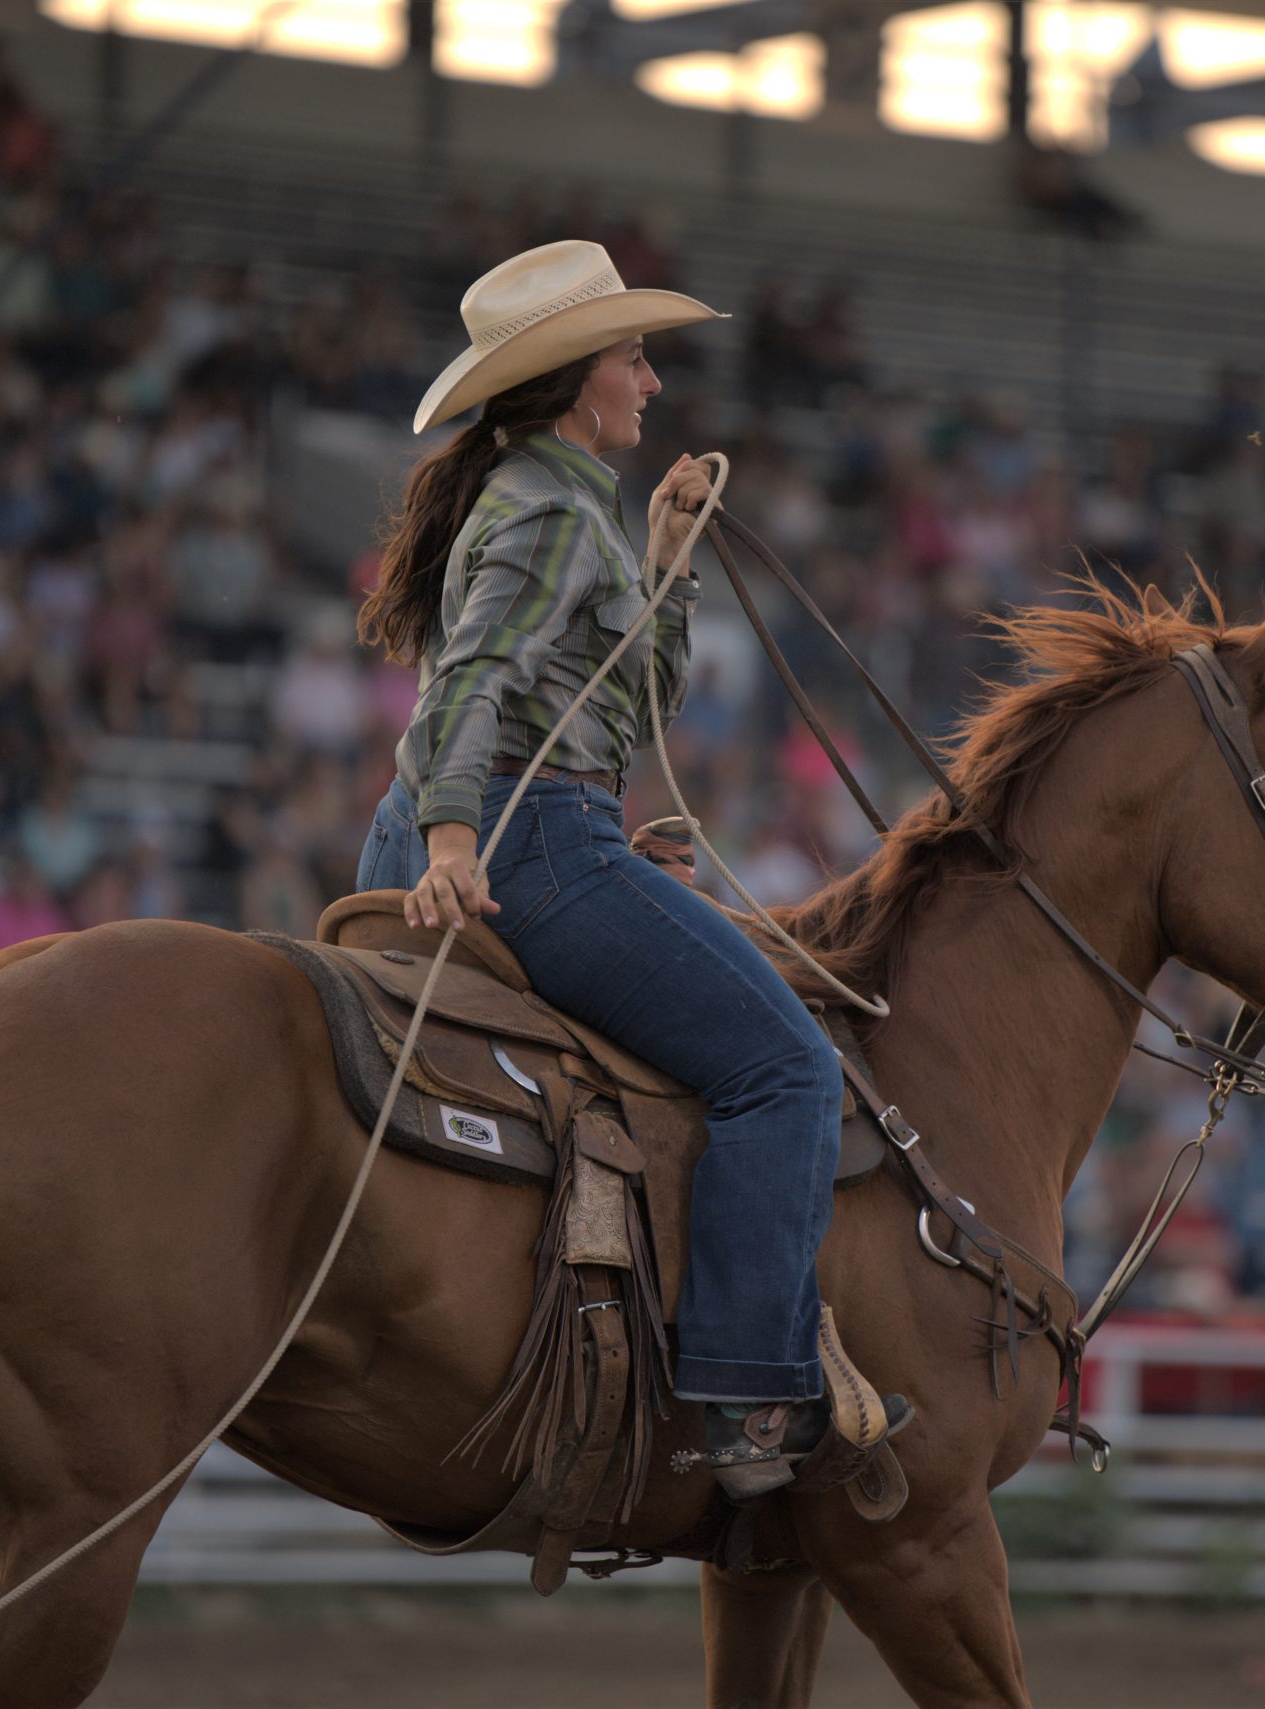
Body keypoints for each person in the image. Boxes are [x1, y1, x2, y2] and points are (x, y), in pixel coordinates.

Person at [352, 240, 906, 1497]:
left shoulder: (550, 496)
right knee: (788, 1069)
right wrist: (455, 834)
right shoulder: (548, 508)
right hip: (524, 838)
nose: (652, 383)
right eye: (633, 357)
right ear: (572, 382)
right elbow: (474, 682)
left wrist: (663, 562)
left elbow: (620, 697)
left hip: (516, 819)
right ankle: (747, 1400)